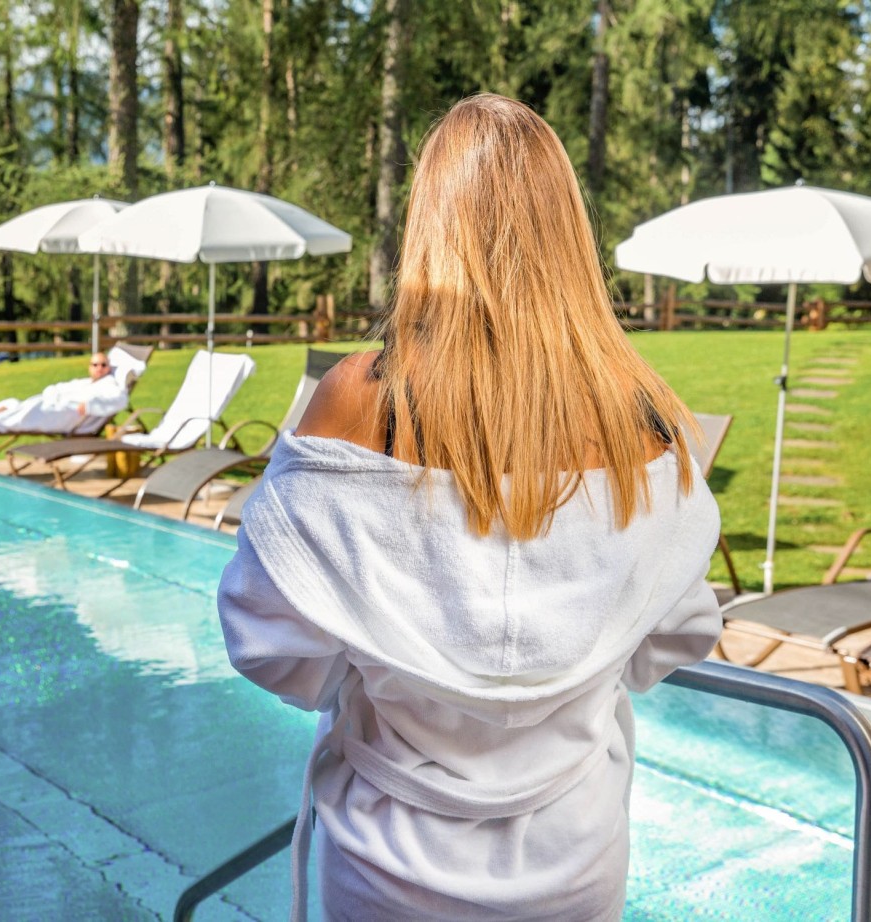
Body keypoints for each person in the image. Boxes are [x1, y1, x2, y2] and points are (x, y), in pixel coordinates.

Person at [217, 94, 722, 921]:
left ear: (431, 225)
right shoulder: (639, 418)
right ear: (569, 233)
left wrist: (377, 662)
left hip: (389, 865)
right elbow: (673, 637)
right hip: (576, 854)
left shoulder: (362, 401)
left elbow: (269, 639)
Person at [0, 351, 128, 440]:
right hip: (53, 407)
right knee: (10, 407)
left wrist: (92, 404)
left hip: (68, 418)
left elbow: (121, 400)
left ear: (109, 368)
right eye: (95, 365)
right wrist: (52, 394)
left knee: (22, 413)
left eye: (104, 365)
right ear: (89, 368)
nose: (100, 368)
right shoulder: (84, 383)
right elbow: (58, 387)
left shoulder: (110, 385)